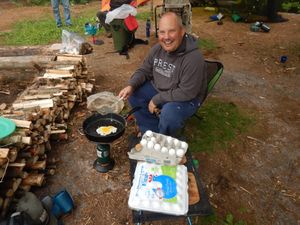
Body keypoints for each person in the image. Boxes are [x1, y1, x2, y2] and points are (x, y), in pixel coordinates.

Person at [118, 12, 207, 138]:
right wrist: (131, 85)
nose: (166, 37)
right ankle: (151, 132)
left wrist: (157, 99)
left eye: (171, 31)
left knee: (170, 114)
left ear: (182, 31)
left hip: (188, 98)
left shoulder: (193, 58)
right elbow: (144, 70)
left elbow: (187, 92)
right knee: (135, 93)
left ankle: (164, 140)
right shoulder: (157, 49)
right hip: (161, 89)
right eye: (162, 32)